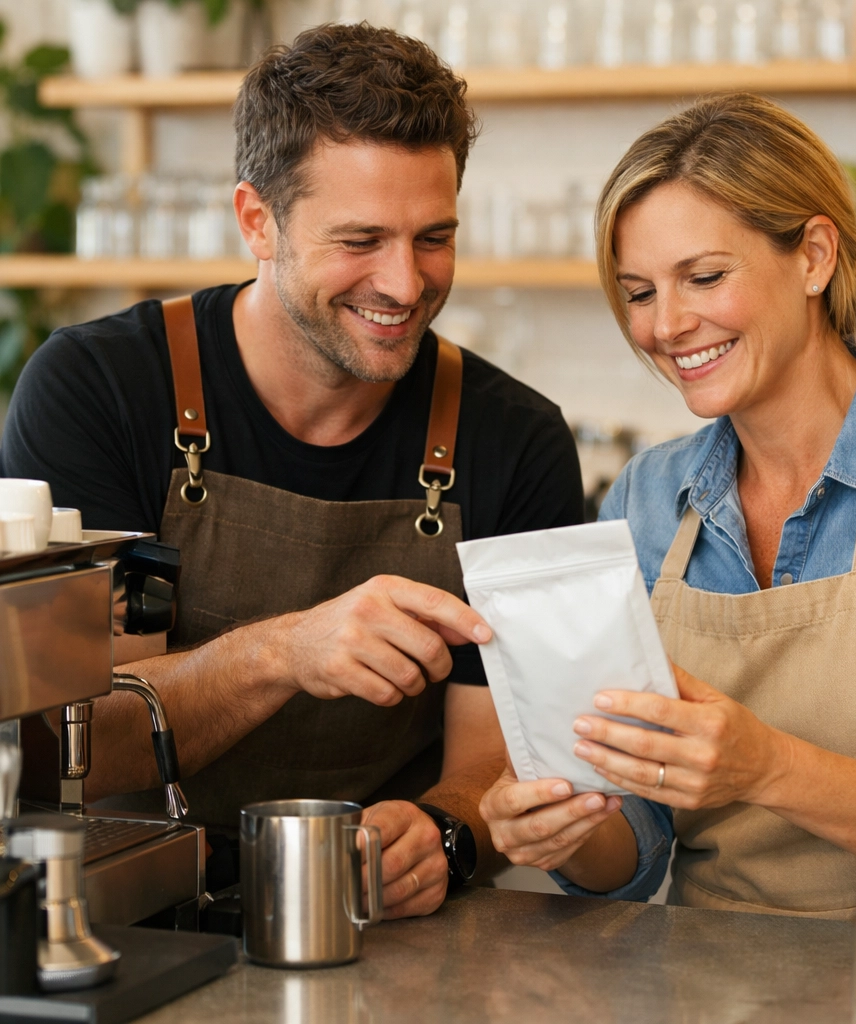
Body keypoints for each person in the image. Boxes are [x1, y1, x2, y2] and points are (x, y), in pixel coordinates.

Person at [0, 24, 583, 916]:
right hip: (128, 916)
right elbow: (80, 744)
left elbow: (497, 757)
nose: (404, 282)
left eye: (434, 237)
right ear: (256, 221)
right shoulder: (101, 392)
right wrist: (285, 650)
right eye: (360, 239)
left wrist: (442, 833)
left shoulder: (515, 438)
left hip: (385, 930)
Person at [479, 93, 856, 918]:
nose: (668, 325)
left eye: (704, 277)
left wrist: (769, 768)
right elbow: (638, 838)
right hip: (707, 987)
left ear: (813, 257)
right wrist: (565, 830)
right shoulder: (646, 497)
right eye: (638, 292)